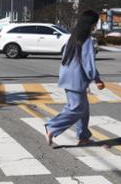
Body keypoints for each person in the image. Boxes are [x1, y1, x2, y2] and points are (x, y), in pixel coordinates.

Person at [45, 10, 105, 147]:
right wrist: (96, 78)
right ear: (92, 24)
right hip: (76, 79)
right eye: (95, 23)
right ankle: (52, 128)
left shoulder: (74, 37)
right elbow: (88, 63)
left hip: (68, 76)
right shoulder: (87, 40)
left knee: (83, 109)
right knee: (76, 108)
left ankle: (83, 137)